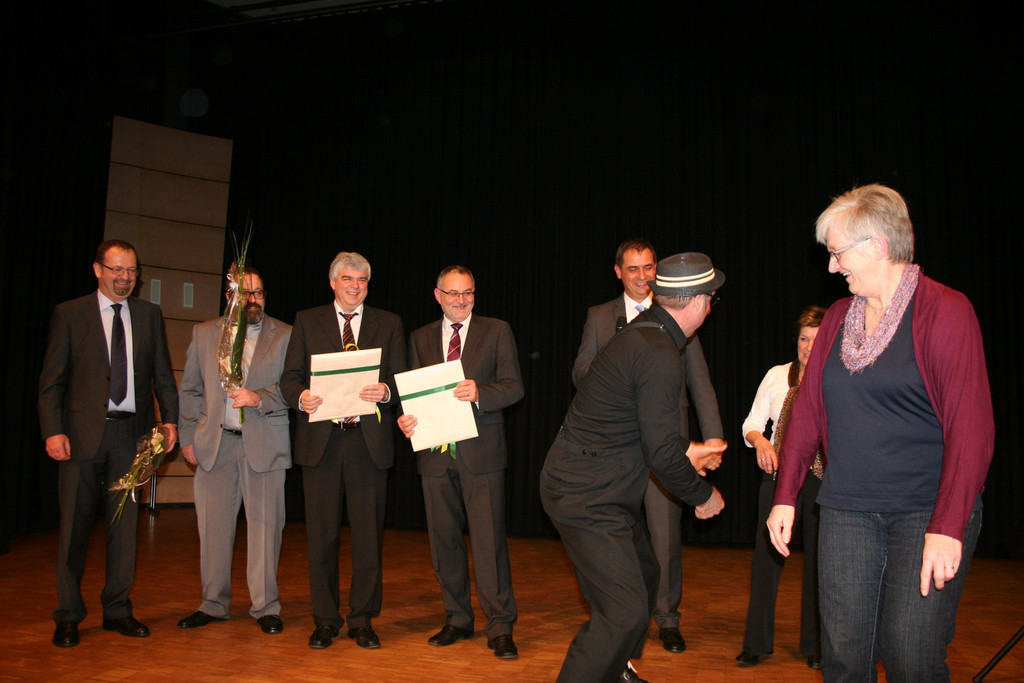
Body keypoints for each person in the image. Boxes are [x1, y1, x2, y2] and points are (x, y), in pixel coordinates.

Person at [767, 184, 994, 682]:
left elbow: (971, 429)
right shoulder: (836, 319)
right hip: (847, 511)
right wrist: (786, 495)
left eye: (837, 253)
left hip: (925, 511)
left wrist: (948, 526)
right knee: (844, 660)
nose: (832, 267)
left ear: (878, 245)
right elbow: (807, 411)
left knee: (911, 657)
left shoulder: (946, 311)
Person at [542, 252, 728, 683]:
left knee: (644, 577)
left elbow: (641, 424)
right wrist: (703, 497)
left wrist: (689, 448)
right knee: (623, 612)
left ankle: (615, 671)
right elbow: (659, 451)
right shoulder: (658, 351)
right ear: (698, 302)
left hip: (599, 485)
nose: (710, 308)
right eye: (711, 300)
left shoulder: (647, 336)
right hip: (585, 495)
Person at [38, 239, 179, 648]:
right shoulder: (70, 313)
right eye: (117, 269)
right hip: (80, 436)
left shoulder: (149, 315)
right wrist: (52, 430)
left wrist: (170, 421)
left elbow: (162, 376)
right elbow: (52, 381)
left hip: (131, 437)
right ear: (98, 269)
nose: (125, 278)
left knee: (124, 529)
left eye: (131, 270)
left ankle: (117, 610)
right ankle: (68, 615)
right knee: (74, 529)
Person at [396, 265, 524, 660]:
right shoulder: (419, 338)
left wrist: (480, 392)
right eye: (453, 293)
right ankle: (457, 618)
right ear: (438, 296)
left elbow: (514, 387)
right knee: (444, 543)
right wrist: (405, 419)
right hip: (434, 455)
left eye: (467, 292)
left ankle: (500, 625)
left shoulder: (496, 330)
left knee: (489, 544)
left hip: (481, 454)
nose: (461, 300)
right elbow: (411, 394)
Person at [281, 251, 406, 650]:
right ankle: (325, 619)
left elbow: (401, 379)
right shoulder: (307, 320)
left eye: (362, 280)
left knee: (368, 537)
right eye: (348, 279)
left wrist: (386, 391)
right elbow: (289, 378)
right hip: (322, 442)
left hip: (368, 443)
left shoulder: (389, 323)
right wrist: (300, 397)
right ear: (333, 282)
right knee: (321, 537)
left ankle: (363, 619)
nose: (355, 286)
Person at [176, 268, 292, 635]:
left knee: (266, 530)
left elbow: (295, 387)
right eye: (245, 293)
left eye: (258, 293)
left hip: (265, 443)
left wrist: (261, 397)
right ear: (230, 297)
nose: (252, 300)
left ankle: (266, 607)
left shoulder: (286, 335)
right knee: (213, 529)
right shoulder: (204, 333)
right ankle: (213, 604)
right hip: (215, 445)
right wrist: (188, 438)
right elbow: (190, 390)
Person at [736, 305, 826, 669]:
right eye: (804, 339)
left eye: (816, 340)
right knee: (766, 559)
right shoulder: (776, 375)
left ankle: (816, 647)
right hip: (777, 477)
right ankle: (756, 643)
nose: (808, 347)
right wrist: (761, 443)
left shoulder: (835, 378)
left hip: (821, 479)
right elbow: (751, 424)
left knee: (819, 563)